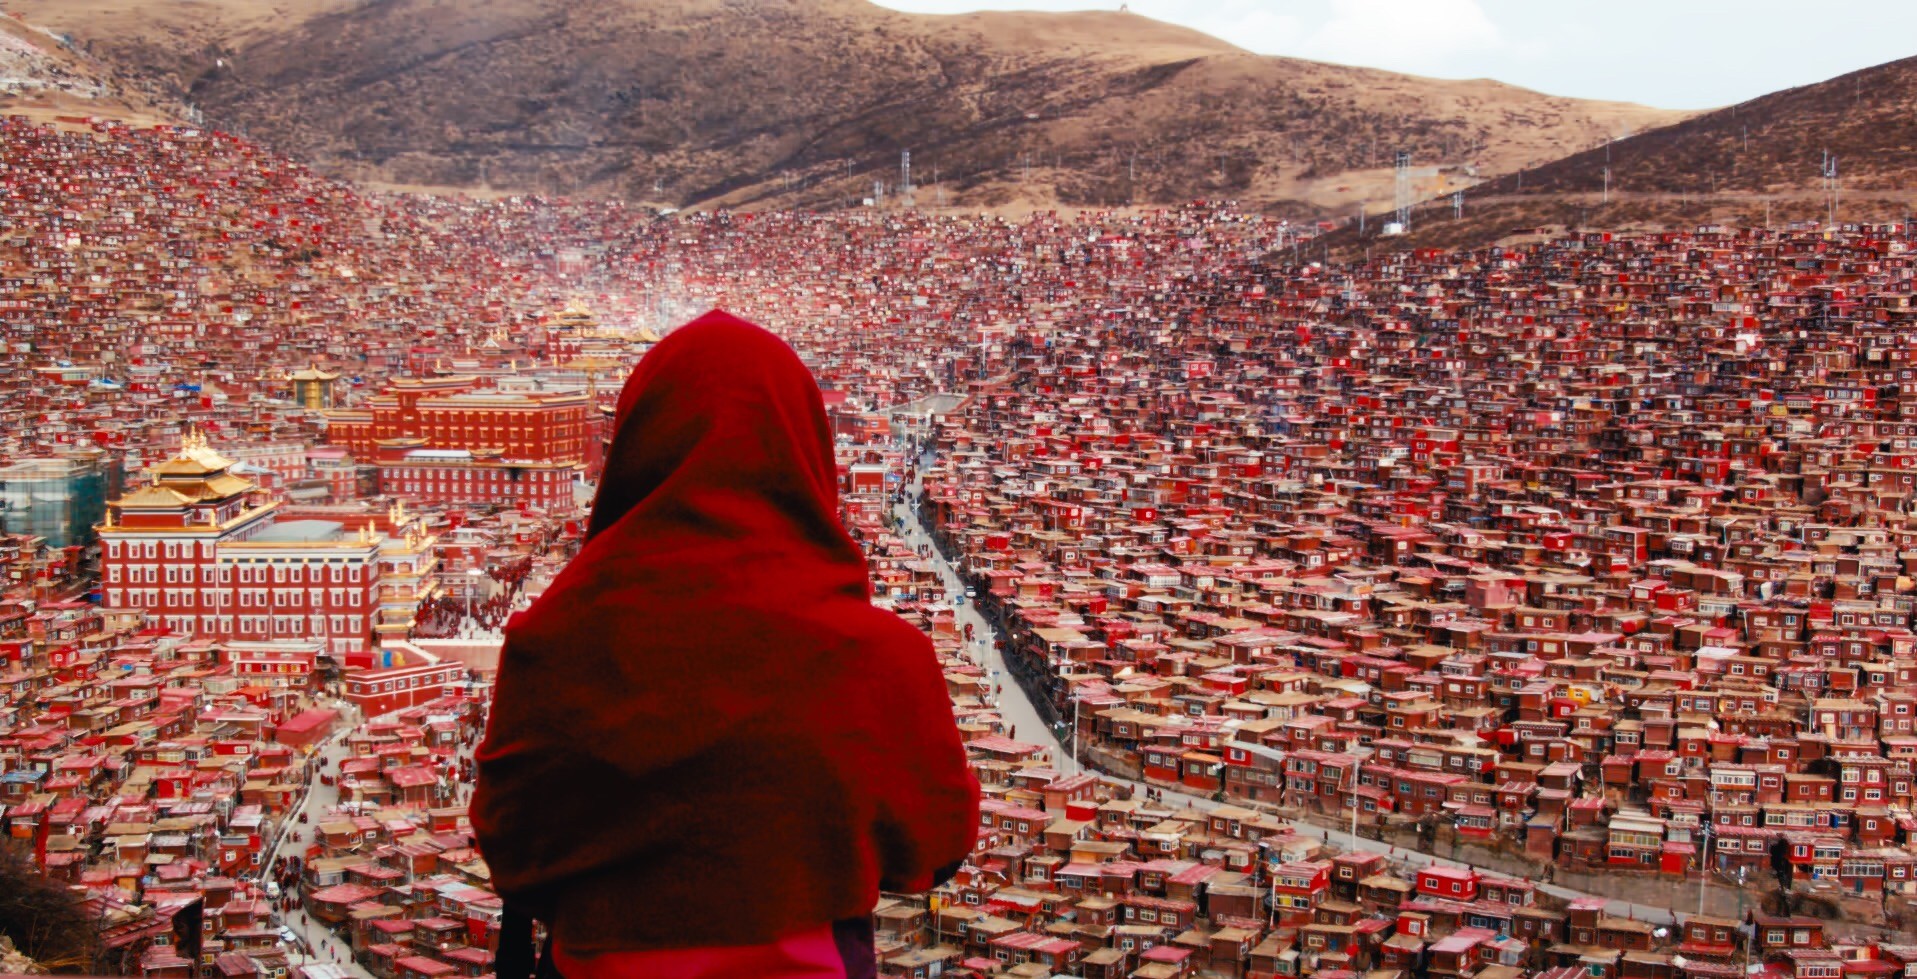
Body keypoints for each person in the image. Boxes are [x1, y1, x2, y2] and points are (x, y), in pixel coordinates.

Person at [473, 311, 982, 979]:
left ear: (638, 449)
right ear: (802, 449)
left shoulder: (553, 645)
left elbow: (513, 854)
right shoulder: (881, 658)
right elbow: (934, 847)